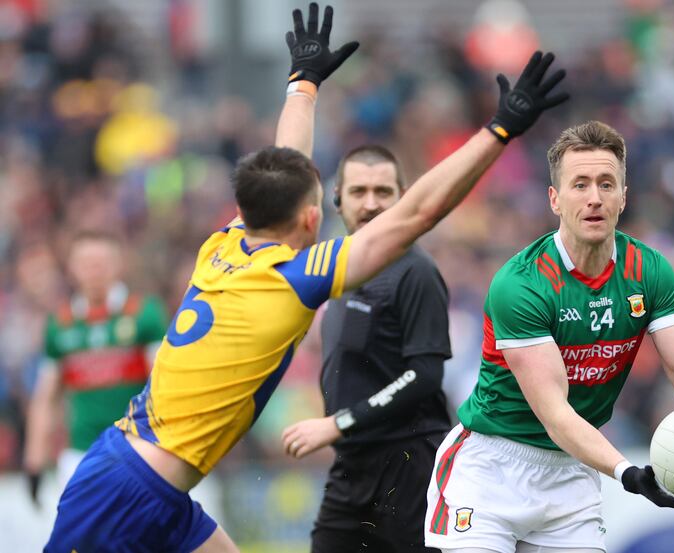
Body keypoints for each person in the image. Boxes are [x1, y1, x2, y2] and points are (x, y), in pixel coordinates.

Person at [44, 3, 568, 551]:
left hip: (145, 482)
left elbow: (283, 169)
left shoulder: (223, 244)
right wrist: (499, 130)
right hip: (125, 489)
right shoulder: (296, 278)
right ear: (313, 218)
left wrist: (304, 84)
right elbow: (415, 214)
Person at [423, 120, 674, 553]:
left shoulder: (650, 270)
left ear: (623, 197)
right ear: (555, 198)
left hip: (571, 473)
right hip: (490, 469)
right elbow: (555, 413)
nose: (594, 198)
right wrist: (629, 473)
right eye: (580, 184)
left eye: (607, 184)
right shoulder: (521, 284)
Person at [281, 144, 452, 553]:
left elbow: (425, 375)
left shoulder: (417, 271)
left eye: (383, 191)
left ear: (403, 196)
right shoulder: (336, 265)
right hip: (352, 466)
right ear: (337, 198)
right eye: (359, 192)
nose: (371, 203)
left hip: (411, 467)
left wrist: (338, 422)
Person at [23, 230, 167, 506]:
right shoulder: (60, 324)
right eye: (87, 263)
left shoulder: (144, 314)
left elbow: (165, 384)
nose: (94, 271)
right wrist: (34, 460)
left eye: (101, 263)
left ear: (118, 265)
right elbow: (45, 399)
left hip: (137, 452)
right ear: (72, 268)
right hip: (80, 455)